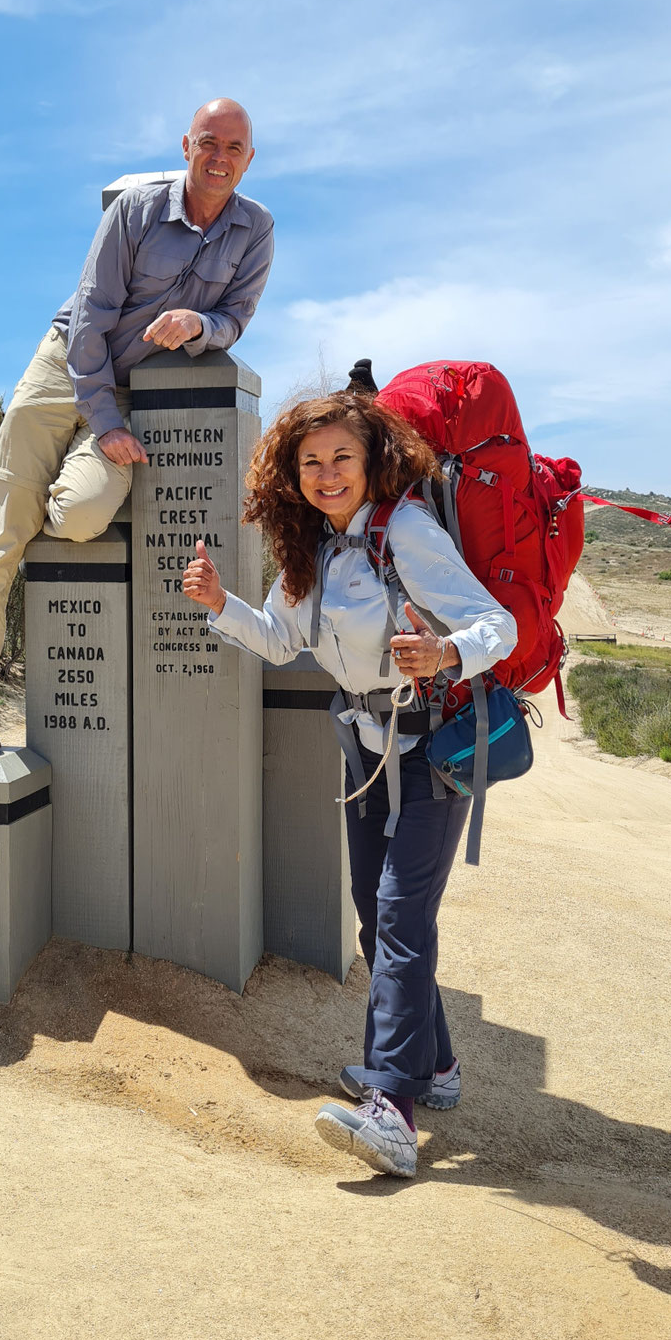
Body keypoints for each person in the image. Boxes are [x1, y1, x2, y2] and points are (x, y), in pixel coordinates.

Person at [181, 389, 517, 1179]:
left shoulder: (405, 530)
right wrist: (219, 601)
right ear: (291, 475)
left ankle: (390, 1111)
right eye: (311, 462)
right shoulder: (310, 549)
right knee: (377, 917)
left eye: (341, 458)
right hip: (366, 753)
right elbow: (277, 639)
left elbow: (496, 624)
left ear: (373, 462)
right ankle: (435, 1068)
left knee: (399, 917)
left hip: (431, 746)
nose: (327, 474)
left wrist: (446, 655)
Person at [0, 98, 273, 752]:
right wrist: (105, 419)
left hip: (128, 391)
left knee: (81, 515)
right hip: (64, 368)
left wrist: (200, 325)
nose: (220, 158)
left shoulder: (255, 229)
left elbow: (236, 317)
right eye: (209, 143)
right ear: (186, 146)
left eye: (234, 148)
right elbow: (91, 317)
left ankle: (47, 502)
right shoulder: (137, 211)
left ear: (249, 158)